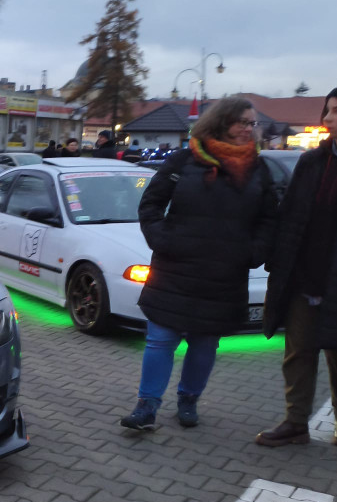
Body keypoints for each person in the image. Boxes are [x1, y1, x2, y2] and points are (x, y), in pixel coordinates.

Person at [120, 96, 279, 431]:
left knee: (205, 342)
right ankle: (146, 406)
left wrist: (254, 251)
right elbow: (151, 204)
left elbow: (269, 218)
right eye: (243, 122)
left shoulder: (258, 169)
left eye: (253, 124)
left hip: (224, 271)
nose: (249, 130)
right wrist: (162, 239)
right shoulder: (185, 160)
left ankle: (188, 400)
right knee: (160, 339)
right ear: (222, 121)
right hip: (175, 267)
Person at [256, 80, 337, 448]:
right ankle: (295, 422)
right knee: (298, 352)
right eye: (327, 109)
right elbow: (290, 215)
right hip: (304, 274)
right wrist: (279, 259)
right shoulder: (312, 161)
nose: (328, 117)